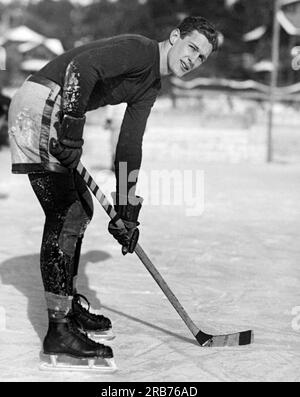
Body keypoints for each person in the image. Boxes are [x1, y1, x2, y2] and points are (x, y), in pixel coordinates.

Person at [8, 16, 218, 369]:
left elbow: (129, 145)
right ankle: (59, 330)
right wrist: (73, 128)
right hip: (41, 106)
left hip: (54, 109)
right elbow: (81, 68)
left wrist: (126, 206)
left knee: (81, 209)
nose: (193, 60)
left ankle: (67, 307)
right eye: (192, 48)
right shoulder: (140, 50)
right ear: (175, 37)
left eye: (201, 58)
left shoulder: (151, 86)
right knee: (68, 211)